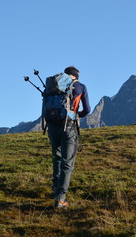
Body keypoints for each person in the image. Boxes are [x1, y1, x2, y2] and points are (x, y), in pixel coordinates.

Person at [48, 66, 91, 209]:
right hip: (69, 127)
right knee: (68, 162)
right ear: (76, 76)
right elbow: (87, 109)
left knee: (57, 157)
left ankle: (55, 189)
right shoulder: (80, 87)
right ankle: (61, 198)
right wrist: (77, 115)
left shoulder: (54, 86)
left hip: (52, 125)